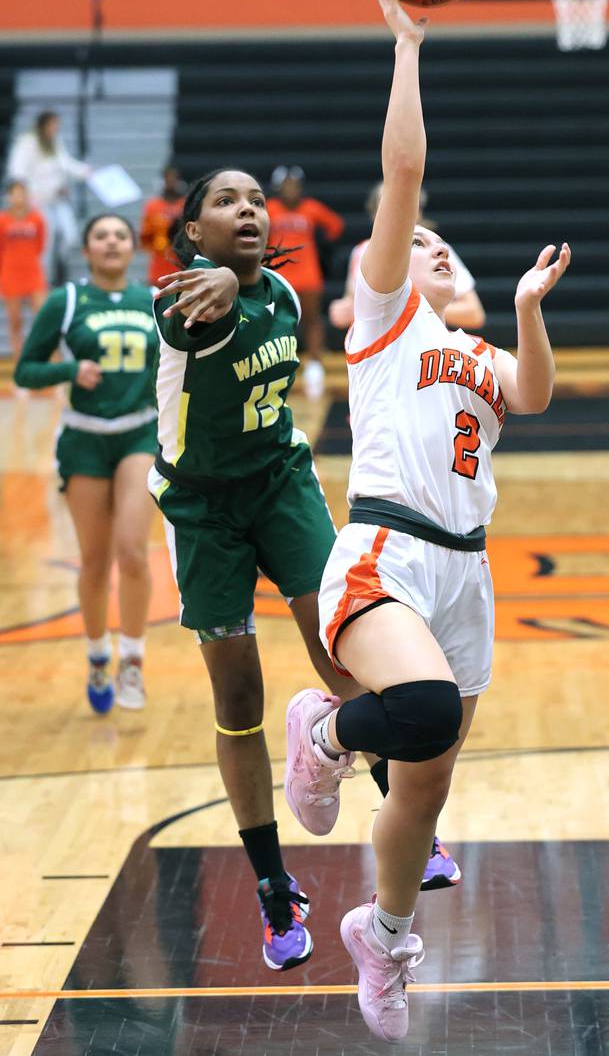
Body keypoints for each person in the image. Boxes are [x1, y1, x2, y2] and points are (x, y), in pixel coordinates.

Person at [283, 0, 570, 1043]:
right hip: (385, 556)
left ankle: (386, 933)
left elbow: (532, 395)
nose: (435, 252)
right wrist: (405, 44)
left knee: (427, 791)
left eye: (451, 250)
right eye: (421, 246)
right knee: (420, 718)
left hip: (465, 572)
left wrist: (531, 311)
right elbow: (402, 168)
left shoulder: (480, 356)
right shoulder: (387, 317)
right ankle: (322, 726)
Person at [147, 167, 354, 974]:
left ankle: (388, 796)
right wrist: (219, 291)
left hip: (280, 483)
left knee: (342, 646)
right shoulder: (179, 309)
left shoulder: (287, 298)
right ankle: (274, 889)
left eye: (256, 202)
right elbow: (204, 312)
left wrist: (240, 289)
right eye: (225, 202)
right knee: (238, 697)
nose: (247, 211)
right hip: (203, 511)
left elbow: (250, 301)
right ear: (192, 232)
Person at [14, 214, 158, 713]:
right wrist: (71, 368)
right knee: (95, 558)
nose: (113, 241)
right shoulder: (66, 300)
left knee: (133, 550)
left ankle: (133, 660)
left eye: (121, 234)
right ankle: (98, 654)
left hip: (140, 432)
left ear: (132, 246)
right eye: (102, 235)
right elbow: (26, 370)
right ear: (87, 248)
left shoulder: (153, 301)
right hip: (84, 440)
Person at [329, 181, 485, 333]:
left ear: (418, 210)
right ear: (375, 211)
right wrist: (343, 310)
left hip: (426, 346)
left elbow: (474, 313)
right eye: (390, 202)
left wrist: (414, 308)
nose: (398, 208)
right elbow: (351, 304)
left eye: (405, 201)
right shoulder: (362, 251)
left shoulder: (438, 249)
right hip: (381, 348)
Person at [266, 165, 344, 399]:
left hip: (309, 275)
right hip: (280, 277)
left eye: (295, 185)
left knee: (312, 321)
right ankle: (277, 364)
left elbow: (335, 225)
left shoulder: (311, 208)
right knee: (278, 323)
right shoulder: (269, 209)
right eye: (286, 185)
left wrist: (323, 246)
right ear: (278, 187)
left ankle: (314, 365)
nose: (291, 189)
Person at [6, 110, 91, 286]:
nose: (55, 129)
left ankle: (60, 266)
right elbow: (18, 172)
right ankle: (45, 282)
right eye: (52, 125)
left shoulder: (54, 141)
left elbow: (65, 163)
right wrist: (29, 195)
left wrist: (86, 171)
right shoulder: (27, 143)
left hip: (58, 199)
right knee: (46, 243)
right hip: (38, 201)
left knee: (70, 235)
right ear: (43, 124)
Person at [0, 180, 48, 363]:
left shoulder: (37, 218)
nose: (18, 197)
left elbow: (40, 244)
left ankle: (53, 368)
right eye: (15, 193)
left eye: (22, 193)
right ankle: (20, 372)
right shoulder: (2, 220)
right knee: (15, 324)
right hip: (10, 274)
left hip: (33, 274)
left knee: (44, 320)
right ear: (9, 197)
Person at [139, 165, 186, 285]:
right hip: (159, 261)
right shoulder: (153, 206)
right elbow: (145, 236)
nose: (170, 182)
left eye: (173, 179)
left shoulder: (185, 205)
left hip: (181, 260)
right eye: (167, 178)